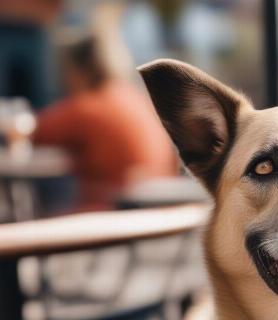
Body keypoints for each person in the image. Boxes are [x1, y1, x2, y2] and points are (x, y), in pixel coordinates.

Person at [34, 34, 177, 212]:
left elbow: (32, 131)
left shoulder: (89, 106)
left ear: (79, 70)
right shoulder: (139, 101)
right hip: (162, 209)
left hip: (117, 209)